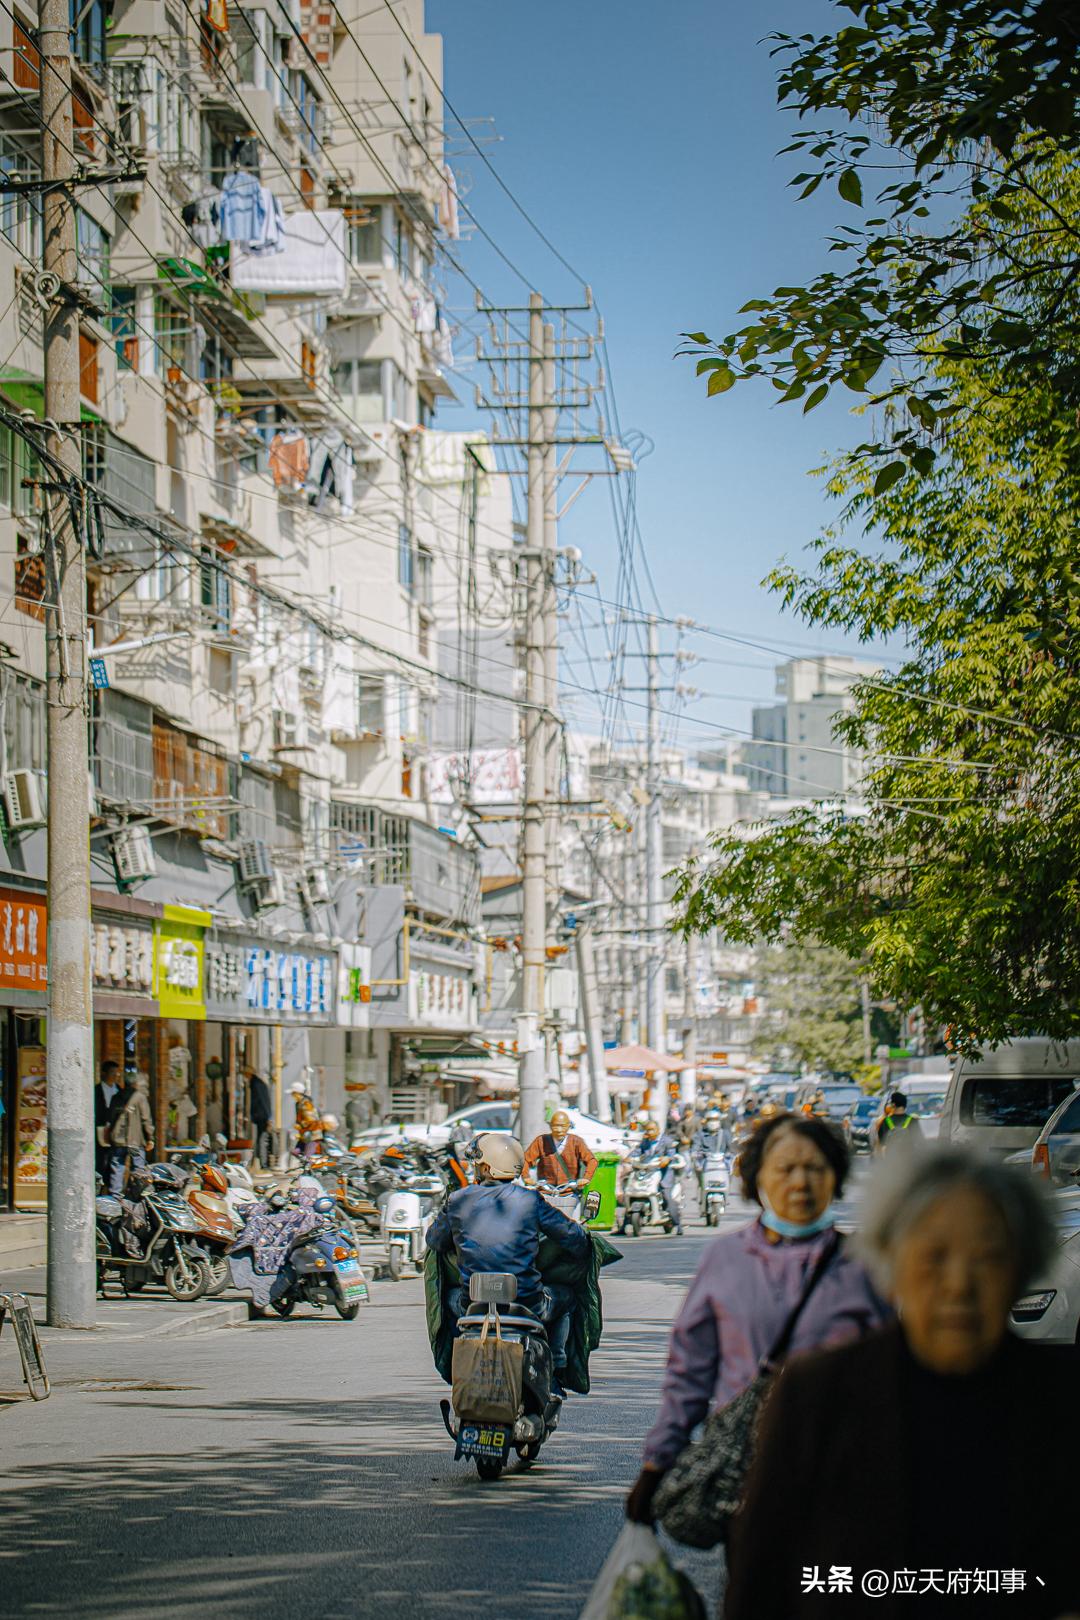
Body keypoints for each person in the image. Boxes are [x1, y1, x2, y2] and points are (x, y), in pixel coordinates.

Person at [725, 1145, 1077, 1619]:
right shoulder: (817, 1394)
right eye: (933, 1256)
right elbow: (759, 1581)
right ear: (891, 1264)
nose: (958, 1284)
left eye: (987, 1258)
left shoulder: (1062, 1400)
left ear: (1022, 1271)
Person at [625, 1112, 890, 1526]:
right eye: (785, 1169)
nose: (800, 1182)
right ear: (758, 1177)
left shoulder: (866, 1265)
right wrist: (655, 1466)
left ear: (835, 1177)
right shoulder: (726, 1259)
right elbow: (689, 1375)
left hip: (847, 1475)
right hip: (751, 1476)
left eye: (814, 1168)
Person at [426, 1132, 588, 1396]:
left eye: (477, 1163)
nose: (475, 1168)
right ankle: (557, 1366)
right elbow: (574, 1239)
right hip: (528, 1305)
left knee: (449, 1297)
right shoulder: (530, 1201)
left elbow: (434, 1240)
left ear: (487, 1167)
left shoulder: (458, 1200)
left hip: (472, 1305)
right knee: (567, 1297)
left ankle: (457, 1360)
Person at [523, 1108, 598, 1190]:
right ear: (550, 1126)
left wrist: (586, 1178)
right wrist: (526, 1176)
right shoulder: (541, 1141)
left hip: (569, 1190)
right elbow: (525, 1160)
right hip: (546, 1190)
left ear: (569, 1126)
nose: (559, 1130)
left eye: (563, 1126)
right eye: (555, 1126)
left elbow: (592, 1160)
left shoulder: (576, 1142)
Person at [107, 1070, 155, 1196]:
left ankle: (115, 1197)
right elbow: (146, 1119)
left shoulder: (116, 1097)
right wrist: (150, 1137)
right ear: (135, 1083)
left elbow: (110, 1118)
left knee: (117, 1168)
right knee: (138, 1170)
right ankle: (135, 1196)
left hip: (118, 1141)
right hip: (135, 1142)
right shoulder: (140, 1097)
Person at [635, 1118, 684, 1236]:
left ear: (658, 1130)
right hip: (647, 1174)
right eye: (648, 1130)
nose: (650, 1132)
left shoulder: (667, 1141)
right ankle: (625, 1224)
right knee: (633, 1191)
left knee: (667, 1196)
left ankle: (678, 1224)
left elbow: (671, 1154)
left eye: (652, 1130)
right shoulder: (645, 1141)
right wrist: (628, 1158)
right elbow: (637, 1152)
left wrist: (667, 1158)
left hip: (663, 1175)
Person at [690, 1107, 732, 1211]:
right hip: (705, 1162)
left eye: (715, 1120)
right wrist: (694, 1153)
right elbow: (695, 1146)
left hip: (721, 1162)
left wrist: (732, 1154)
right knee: (699, 1171)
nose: (713, 1122)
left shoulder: (725, 1134)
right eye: (710, 1120)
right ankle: (701, 1196)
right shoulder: (700, 1134)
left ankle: (726, 1193)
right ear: (706, 1121)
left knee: (730, 1170)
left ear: (719, 1121)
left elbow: (732, 1147)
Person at [94, 1058, 122, 1182]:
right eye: (113, 1073)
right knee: (100, 1160)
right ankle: (99, 1185)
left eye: (117, 1073)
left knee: (115, 1160)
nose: (116, 1076)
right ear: (104, 1073)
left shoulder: (120, 1091)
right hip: (99, 1131)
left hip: (116, 1132)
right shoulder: (96, 1090)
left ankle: (111, 1188)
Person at [875, 1088, 922, 1154]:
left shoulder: (886, 1121)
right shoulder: (912, 1121)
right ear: (905, 1105)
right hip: (909, 1160)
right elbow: (920, 1142)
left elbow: (881, 1143)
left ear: (893, 1105)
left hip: (893, 1160)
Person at [246, 1066, 273, 1169]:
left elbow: (263, 1101)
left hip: (262, 1116)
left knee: (261, 1140)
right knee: (261, 1139)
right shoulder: (258, 1083)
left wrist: (268, 1117)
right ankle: (261, 1163)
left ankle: (263, 1164)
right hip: (262, 1116)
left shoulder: (256, 1084)